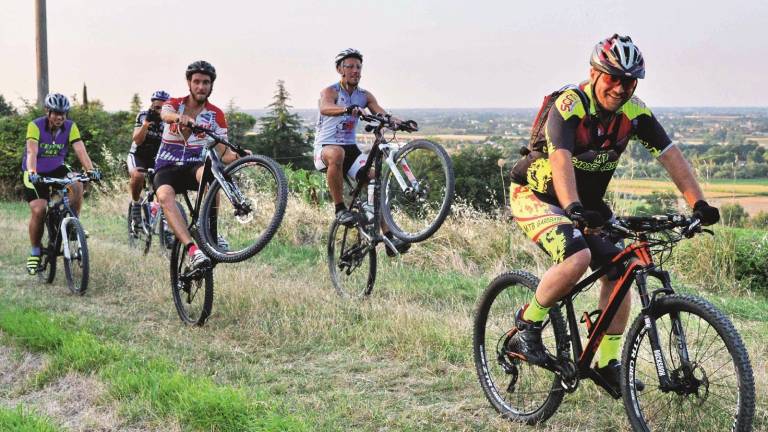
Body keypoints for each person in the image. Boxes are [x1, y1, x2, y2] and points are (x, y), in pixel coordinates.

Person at [507, 34, 720, 391]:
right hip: (537, 196)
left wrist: (698, 203)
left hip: (585, 206)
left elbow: (669, 154)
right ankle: (526, 327)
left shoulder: (634, 112)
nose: (621, 87)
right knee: (577, 258)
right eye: (613, 77)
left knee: (621, 269)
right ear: (594, 73)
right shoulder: (570, 105)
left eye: (630, 80)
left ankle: (606, 362)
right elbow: (560, 157)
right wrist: (573, 207)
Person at [313, 48, 409, 256]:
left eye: (358, 67)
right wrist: (346, 110)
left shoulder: (364, 96)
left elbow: (381, 113)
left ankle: (388, 235)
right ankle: (340, 209)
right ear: (340, 69)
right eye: (350, 66)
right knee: (337, 153)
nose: (355, 70)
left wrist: (401, 123)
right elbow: (325, 108)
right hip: (325, 150)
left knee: (374, 177)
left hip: (351, 151)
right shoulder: (330, 91)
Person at [156, 60, 242, 269]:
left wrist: (240, 156)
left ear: (212, 85)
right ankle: (192, 250)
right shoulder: (175, 103)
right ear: (189, 83)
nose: (201, 86)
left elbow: (223, 154)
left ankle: (211, 235)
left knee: (212, 174)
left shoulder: (216, 115)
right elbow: (165, 114)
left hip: (194, 167)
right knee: (164, 197)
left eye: (205, 82)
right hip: (166, 167)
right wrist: (180, 118)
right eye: (196, 82)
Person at [22, 93, 101, 275]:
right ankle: (35, 251)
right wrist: (33, 172)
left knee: (77, 183)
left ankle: (73, 223)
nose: (60, 117)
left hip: (57, 167)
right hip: (35, 170)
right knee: (39, 210)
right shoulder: (35, 126)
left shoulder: (70, 127)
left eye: (63, 113)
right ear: (47, 112)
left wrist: (90, 170)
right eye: (56, 113)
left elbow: (80, 148)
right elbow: (31, 152)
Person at [127, 90, 170, 230]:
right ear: (152, 106)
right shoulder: (143, 116)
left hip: (156, 158)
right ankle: (135, 204)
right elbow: (137, 140)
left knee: (165, 187)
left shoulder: (169, 120)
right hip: (138, 155)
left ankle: (165, 228)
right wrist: (146, 124)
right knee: (138, 175)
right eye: (157, 107)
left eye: (164, 108)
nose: (160, 111)